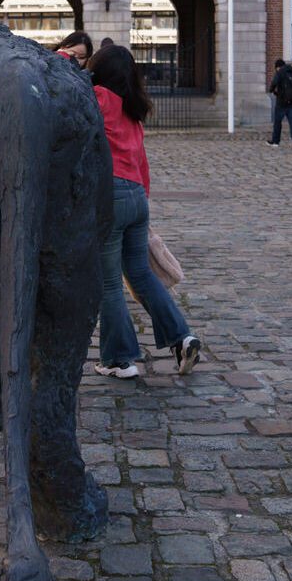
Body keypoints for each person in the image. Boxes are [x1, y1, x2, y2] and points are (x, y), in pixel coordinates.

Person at [87, 44, 203, 379]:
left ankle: (119, 359)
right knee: (141, 274)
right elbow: (143, 163)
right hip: (138, 197)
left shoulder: (99, 98)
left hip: (111, 196)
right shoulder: (132, 110)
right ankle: (182, 337)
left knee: (110, 282)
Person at [266, 58, 292, 147]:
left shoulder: (280, 73)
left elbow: (274, 83)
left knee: (277, 122)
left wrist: (271, 90)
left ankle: (275, 141)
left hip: (282, 102)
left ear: (278, 67)